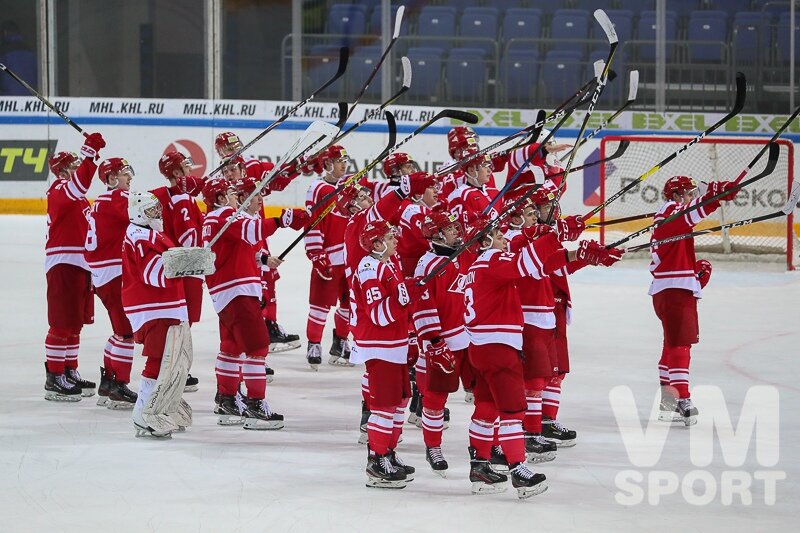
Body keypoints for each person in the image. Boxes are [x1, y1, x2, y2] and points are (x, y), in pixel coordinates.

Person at [463, 215, 622, 498]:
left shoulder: (477, 267)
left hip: (481, 349)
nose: (504, 241)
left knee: (486, 409)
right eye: (499, 237)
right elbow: (526, 263)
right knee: (512, 412)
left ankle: (479, 466)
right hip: (500, 350)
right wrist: (555, 235)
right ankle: (518, 469)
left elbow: (539, 267)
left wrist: (580, 255)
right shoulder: (493, 262)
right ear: (485, 242)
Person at [203, 171, 307, 429]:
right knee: (258, 348)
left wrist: (262, 259)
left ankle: (227, 400)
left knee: (231, 346)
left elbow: (236, 246)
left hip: (225, 292)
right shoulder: (224, 215)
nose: (235, 197)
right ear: (219, 197)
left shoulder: (214, 218)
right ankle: (256, 405)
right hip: (237, 290)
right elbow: (252, 229)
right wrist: (284, 218)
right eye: (230, 193)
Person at [650, 175, 737, 426]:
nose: (690, 196)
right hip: (674, 290)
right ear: (677, 196)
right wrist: (714, 197)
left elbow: (691, 213)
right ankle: (683, 398)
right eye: (687, 193)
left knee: (672, 342)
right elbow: (693, 211)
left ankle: (669, 401)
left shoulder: (668, 216)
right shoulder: (671, 213)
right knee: (681, 346)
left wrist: (694, 277)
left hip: (671, 289)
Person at [214, 132, 302, 353]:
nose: (233, 151)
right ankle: (255, 333)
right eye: (227, 148)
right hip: (242, 240)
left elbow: (277, 181)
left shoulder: (252, 167)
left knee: (268, 278)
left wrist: (298, 167)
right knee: (253, 287)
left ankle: (268, 326)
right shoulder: (221, 183)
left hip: (258, 233)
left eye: (236, 145)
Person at [350, 220, 419, 489]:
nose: (396, 241)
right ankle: (377, 461)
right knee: (384, 406)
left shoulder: (387, 265)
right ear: (376, 244)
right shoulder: (369, 269)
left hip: (394, 344)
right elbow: (378, 314)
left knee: (401, 400)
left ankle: (388, 453)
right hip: (380, 346)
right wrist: (406, 298)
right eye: (390, 237)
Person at [122, 191, 192, 438]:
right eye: (151, 210)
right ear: (139, 213)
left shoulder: (152, 233)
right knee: (160, 358)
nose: (157, 213)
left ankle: (164, 407)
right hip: (152, 308)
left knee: (176, 359)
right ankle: (143, 413)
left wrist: (188, 260)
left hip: (167, 305)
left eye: (157, 209)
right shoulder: (140, 236)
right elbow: (153, 274)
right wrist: (187, 264)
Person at [43, 132, 106, 401]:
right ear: (62, 170)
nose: (76, 170)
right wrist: (89, 154)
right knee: (61, 322)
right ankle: (54, 376)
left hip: (81, 264)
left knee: (75, 322)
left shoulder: (78, 197)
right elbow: (79, 184)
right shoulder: (59, 189)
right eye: (73, 166)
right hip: (63, 262)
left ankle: (69, 369)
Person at [412, 209, 473, 476]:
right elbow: (422, 306)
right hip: (440, 344)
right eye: (450, 229)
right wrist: (435, 341)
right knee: (435, 399)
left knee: (484, 393)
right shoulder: (427, 265)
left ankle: (489, 446)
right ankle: (432, 446)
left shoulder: (463, 255)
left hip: (468, 338)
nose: (457, 232)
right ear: (437, 235)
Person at [151, 150, 206, 392]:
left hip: (173, 266)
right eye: (184, 165)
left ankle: (172, 367)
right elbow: (189, 237)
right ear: (175, 172)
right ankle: (173, 369)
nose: (189, 167)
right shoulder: (183, 200)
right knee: (183, 321)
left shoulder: (164, 196)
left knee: (179, 320)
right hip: (187, 266)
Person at [86, 157, 137, 409]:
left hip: (103, 275)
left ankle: (108, 381)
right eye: (124, 173)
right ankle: (119, 385)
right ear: (111, 178)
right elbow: (147, 209)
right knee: (127, 332)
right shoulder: (116, 200)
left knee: (119, 330)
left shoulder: (101, 202)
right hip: (113, 273)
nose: (129, 178)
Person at [304, 145, 353, 368]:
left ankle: (341, 341)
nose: (344, 164)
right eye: (339, 160)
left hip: (350, 257)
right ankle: (314, 344)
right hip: (329, 257)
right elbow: (312, 223)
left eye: (345, 160)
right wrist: (316, 254)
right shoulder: (317, 188)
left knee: (349, 303)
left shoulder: (347, 186)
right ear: (327, 164)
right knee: (321, 305)